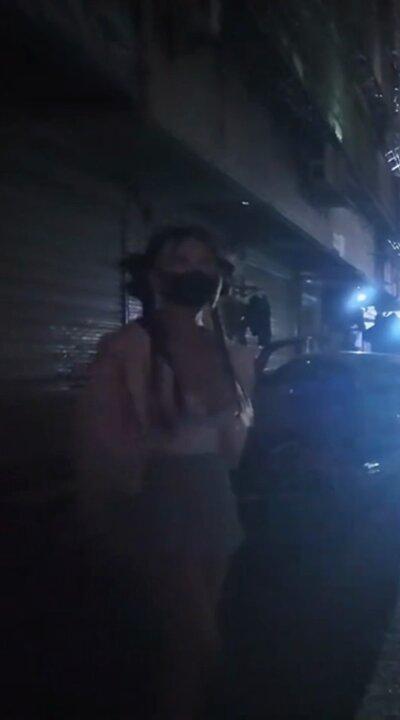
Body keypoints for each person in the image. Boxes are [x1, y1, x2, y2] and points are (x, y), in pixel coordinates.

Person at [75, 225, 255, 719]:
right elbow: (99, 441)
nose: (195, 274)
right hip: (156, 496)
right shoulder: (126, 349)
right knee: (200, 641)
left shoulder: (230, 351)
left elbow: (233, 440)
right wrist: (103, 511)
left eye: (205, 264)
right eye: (180, 263)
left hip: (214, 496)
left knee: (185, 651)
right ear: (154, 277)